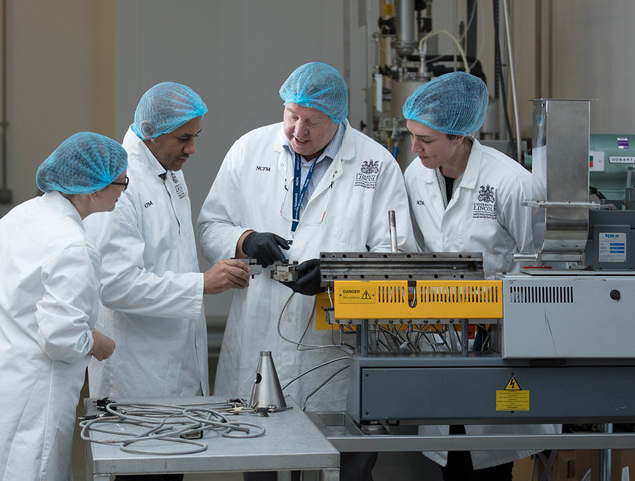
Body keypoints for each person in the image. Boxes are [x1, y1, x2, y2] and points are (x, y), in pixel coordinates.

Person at [197, 61, 416, 481]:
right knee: (258, 456)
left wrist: (336, 274)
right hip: (260, 330)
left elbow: (396, 254)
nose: (299, 131)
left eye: (313, 122)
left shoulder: (375, 164)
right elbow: (210, 225)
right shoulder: (249, 150)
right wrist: (245, 240)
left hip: (335, 342)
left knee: (345, 461)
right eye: (291, 116)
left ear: (338, 119)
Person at [84, 82, 251, 481]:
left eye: (195, 136)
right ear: (149, 130)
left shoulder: (169, 174)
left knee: (170, 471)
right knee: (142, 472)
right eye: (183, 138)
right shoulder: (119, 184)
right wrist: (201, 285)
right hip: (135, 374)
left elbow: (168, 258)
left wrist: (210, 277)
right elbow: (116, 285)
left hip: (174, 368)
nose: (192, 148)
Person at [402, 71, 560, 481]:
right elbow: (414, 249)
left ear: (459, 136)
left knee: (487, 464)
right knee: (449, 457)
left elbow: (539, 266)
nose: (415, 147)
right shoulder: (416, 174)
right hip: (438, 337)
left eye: (426, 139)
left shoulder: (512, 183)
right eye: (411, 135)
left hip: (496, 340)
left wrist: (492, 302)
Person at [0, 132, 126, 480]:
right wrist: (98, 343)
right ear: (94, 188)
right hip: (31, 398)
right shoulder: (74, 246)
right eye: (122, 183)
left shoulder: (18, 218)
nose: (124, 191)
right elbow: (61, 339)